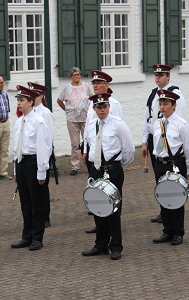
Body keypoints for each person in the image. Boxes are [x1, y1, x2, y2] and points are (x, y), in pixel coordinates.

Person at [81, 93, 134, 260]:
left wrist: (117, 167)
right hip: (96, 169)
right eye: (98, 107)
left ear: (109, 107)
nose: (102, 109)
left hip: (112, 169)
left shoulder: (118, 125)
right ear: (94, 108)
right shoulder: (90, 124)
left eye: (104, 106)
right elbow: (89, 145)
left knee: (113, 209)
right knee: (98, 207)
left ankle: (116, 246)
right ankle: (101, 244)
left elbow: (129, 150)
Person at [142, 64, 186, 224]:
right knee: (159, 179)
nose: (158, 77)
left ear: (168, 76)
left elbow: (179, 120)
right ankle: (164, 212)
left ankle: (173, 214)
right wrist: (145, 140)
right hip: (155, 140)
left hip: (170, 143)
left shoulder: (175, 93)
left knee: (172, 182)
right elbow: (147, 118)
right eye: (156, 75)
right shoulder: (153, 94)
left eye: (161, 75)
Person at [10, 85, 52, 251]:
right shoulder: (19, 122)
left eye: (22, 100)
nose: (19, 104)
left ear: (30, 102)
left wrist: (42, 171)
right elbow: (16, 147)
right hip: (21, 163)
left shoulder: (39, 121)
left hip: (33, 163)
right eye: (18, 100)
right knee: (25, 202)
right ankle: (26, 236)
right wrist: (15, 170)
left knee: (36, 202)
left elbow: (43, 147)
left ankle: (37, 237)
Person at [151, 89, 189, 246]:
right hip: (160, 164)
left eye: (166, 104)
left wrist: (188, 170)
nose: (162, 107)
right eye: (160, 104)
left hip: (175, 164)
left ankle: (178, 232)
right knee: (163, 197)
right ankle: (167, 230)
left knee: (176, 199)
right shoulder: (157, 124)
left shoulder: (181, 125)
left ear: (174, 105)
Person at [84, 70, 123, 234]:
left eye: (99, 83)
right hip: (94, 155)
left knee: (113, 195)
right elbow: (88, 130)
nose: (96, 86)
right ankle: (100, 224)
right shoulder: (91, 105)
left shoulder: (114, 104)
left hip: (109, 159)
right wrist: (86, 149)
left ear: (106, 85)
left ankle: (112, 227)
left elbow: (120, 135)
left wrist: (118, 161)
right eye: (93, 83)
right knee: (96, 192)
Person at [56, 67, 93, 176]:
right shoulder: (67, 88)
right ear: (71, 77)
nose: (77, 76)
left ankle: (90, 164)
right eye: (75, 75)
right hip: (72, 119)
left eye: (78, 74)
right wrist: (66, 110)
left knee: (88, 141)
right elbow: (59, 100)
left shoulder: (86, 86)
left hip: (85, 118)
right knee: (75, 143)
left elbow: (92, 98)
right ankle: (75, 166)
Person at [28, 81, 54, 228]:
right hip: (31, 156)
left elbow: (48, 137)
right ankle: (35, 214)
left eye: (36, 93)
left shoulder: (45, 113)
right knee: (33, 188)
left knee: (42, 187)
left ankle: (45, 216)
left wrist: (47, 157)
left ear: (41, 95)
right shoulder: (30, 112)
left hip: (42, 154)